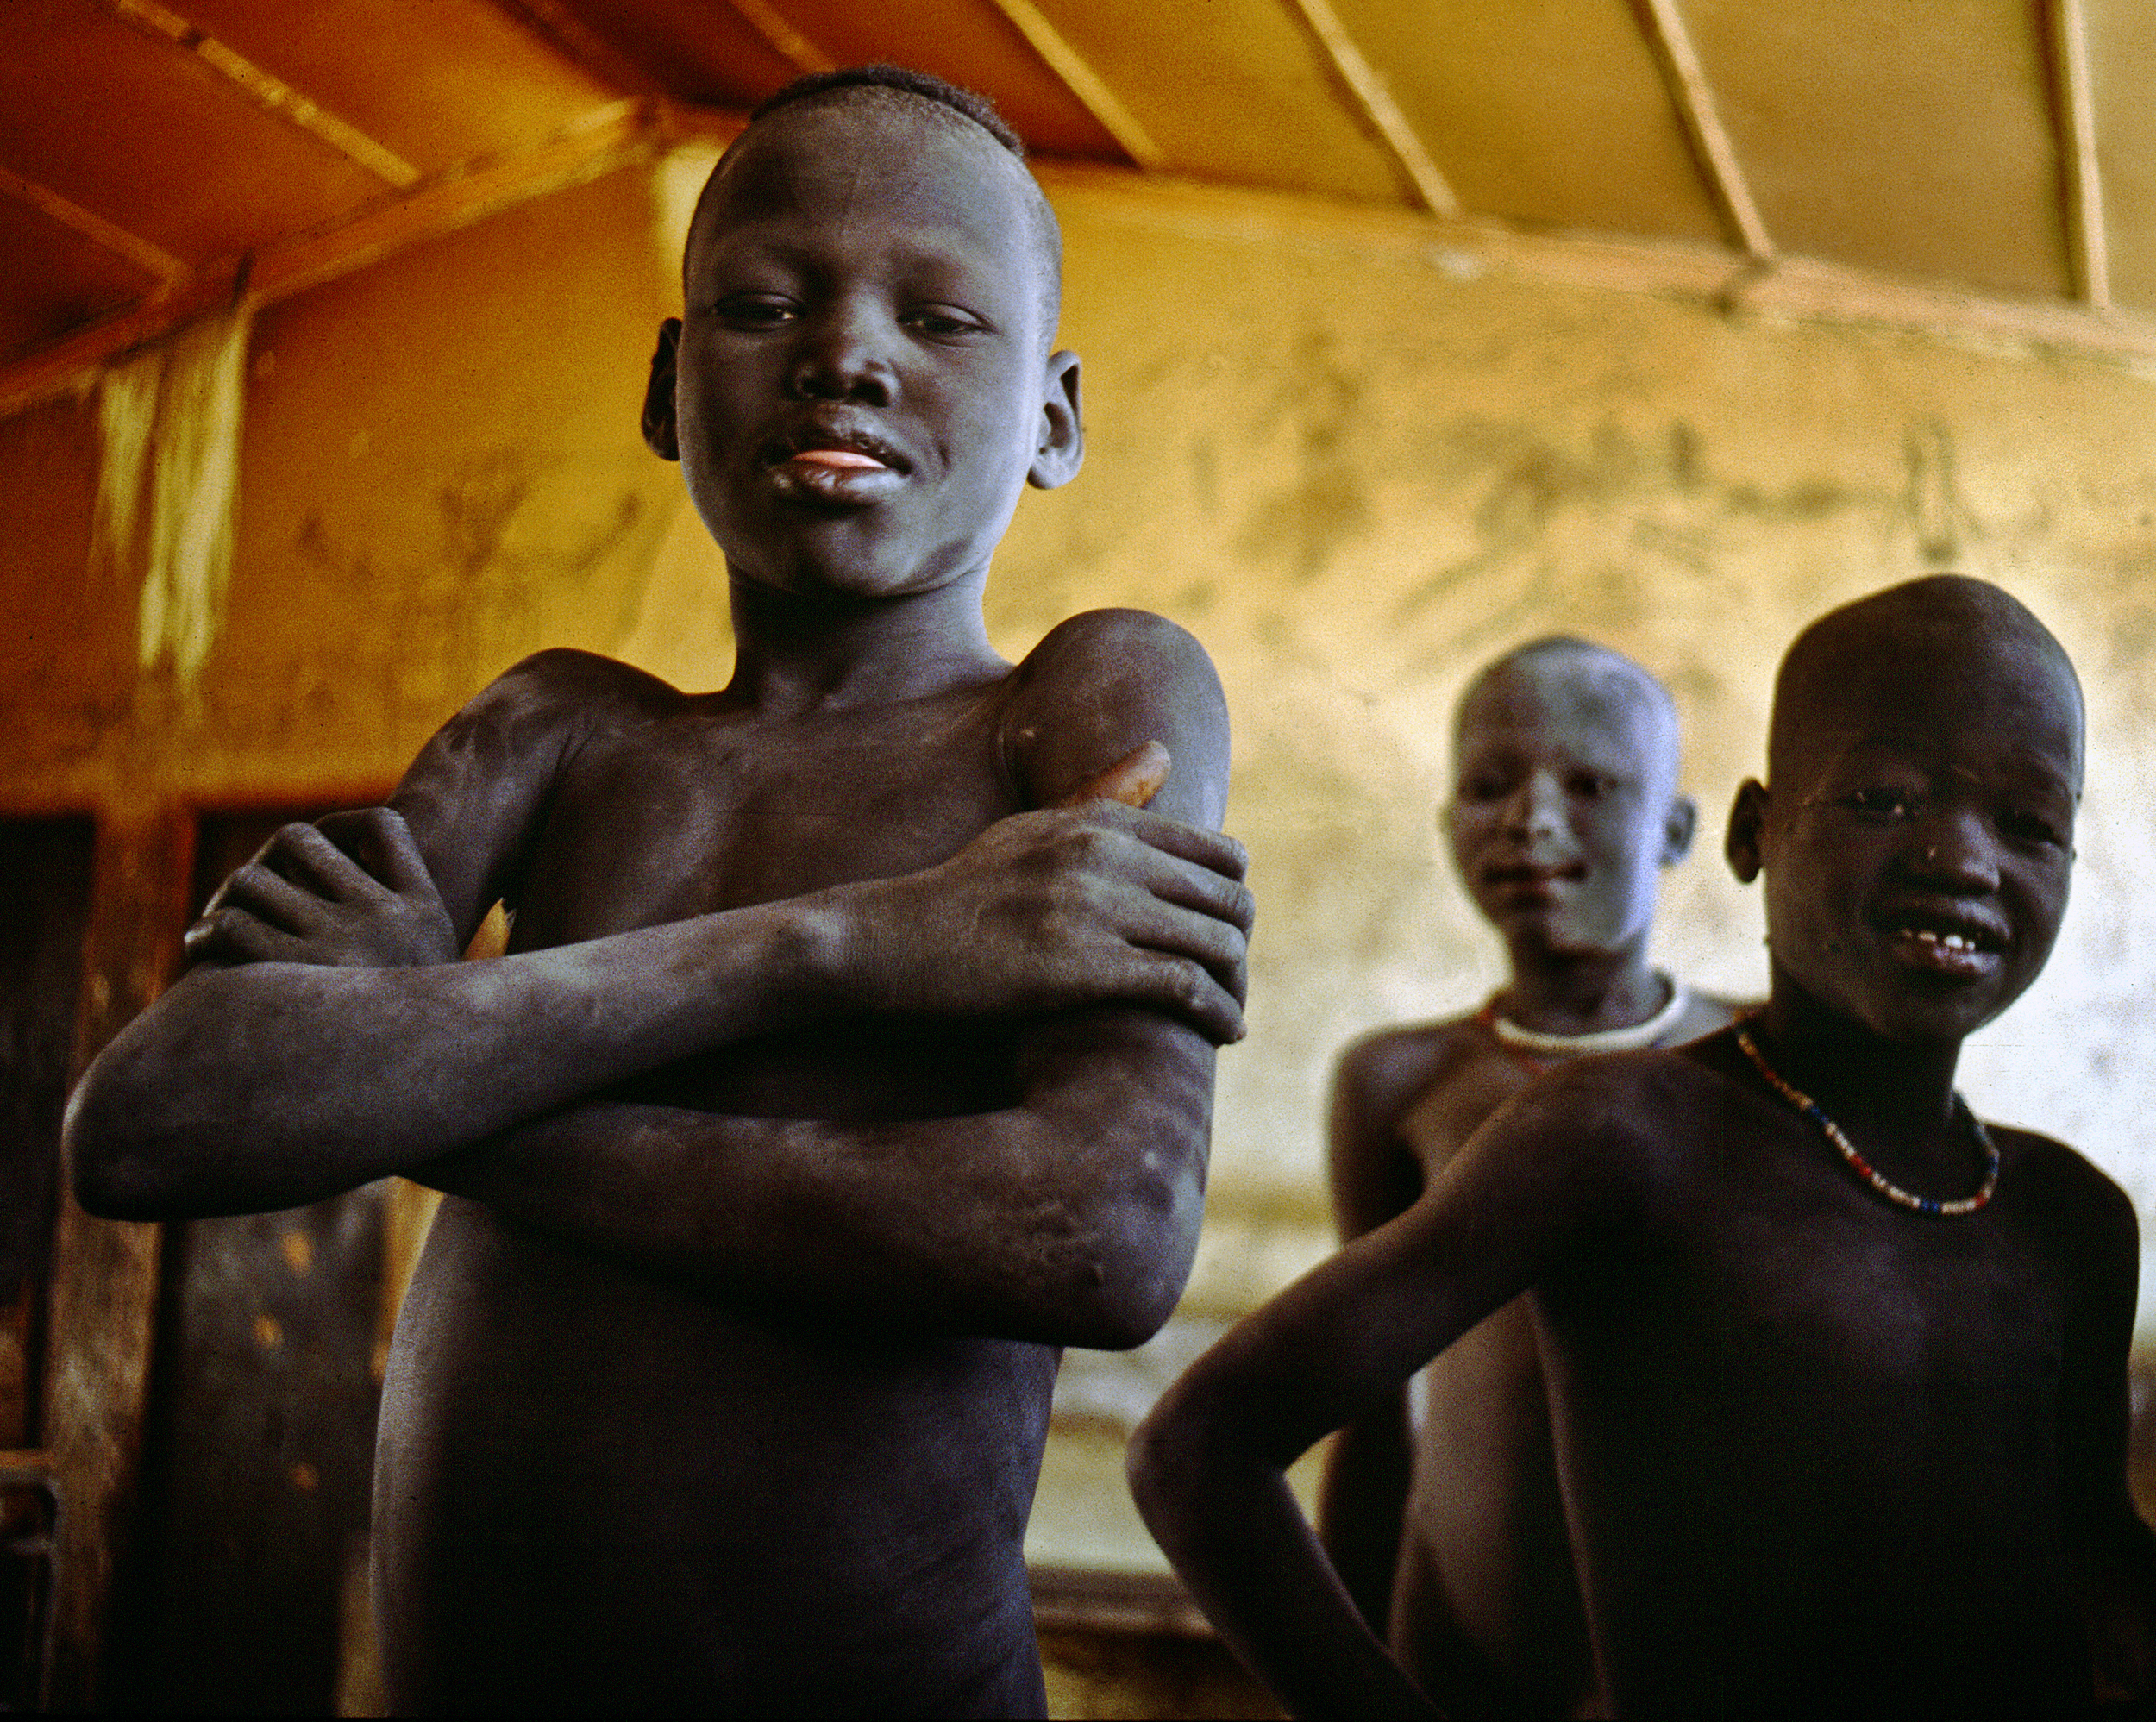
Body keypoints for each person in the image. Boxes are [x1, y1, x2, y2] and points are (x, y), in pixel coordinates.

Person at [66, 66, 1253, 1717]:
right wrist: (850, 944)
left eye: (944, 319)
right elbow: (152, 1124)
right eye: (764, 302)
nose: (848, 351)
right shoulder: (553, 729)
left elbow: (1094, 1233)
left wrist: (402, 1089)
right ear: (667, 381)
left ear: (1053, 422)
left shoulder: (1088, 698)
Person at [1131, 576, 2156, 1718]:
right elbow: (1206, 1445)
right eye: (1882, 796)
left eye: (2028, 822)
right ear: (1753, 833)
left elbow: (2092, 1549)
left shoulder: (2071, 1217)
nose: (1963, 858)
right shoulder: (1625, 1131)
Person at [1321, 637, 1735, 1717]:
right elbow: (1363, 1409)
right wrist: (1342, 1667)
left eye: (1590, 784)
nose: (1530, 819)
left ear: (1679, 829)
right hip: (1461, 1646)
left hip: (1712, 1641)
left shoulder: (1759, 1062)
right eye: (1487, 785)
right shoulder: (1400, 1083)